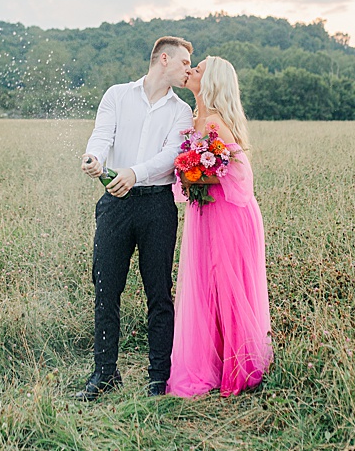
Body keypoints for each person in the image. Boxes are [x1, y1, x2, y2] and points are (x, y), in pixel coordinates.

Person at [78, 35, 195, 400]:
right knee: (106, 289)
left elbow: (171, 155)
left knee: (158, 292)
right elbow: (101, 136)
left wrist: (134, 172)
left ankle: (159, 377)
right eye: (184, 64)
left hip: (157, 206)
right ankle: (104, 373)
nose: (188, 71)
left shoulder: (182, 111)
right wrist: (94, 159)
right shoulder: (117, 95)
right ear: (164, 59)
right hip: (115, 202)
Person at [166, 56, 274, 397]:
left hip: (229, 214)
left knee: (227, 284)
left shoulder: (214, 122)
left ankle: (239, 368)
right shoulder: (196, 117)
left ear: (209, 81)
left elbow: (240, 175)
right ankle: (213, 361)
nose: (191, 71)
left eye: (196, 69)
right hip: (207, 213)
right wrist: (188, 172)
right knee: (207, 283)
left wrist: (194, 173)